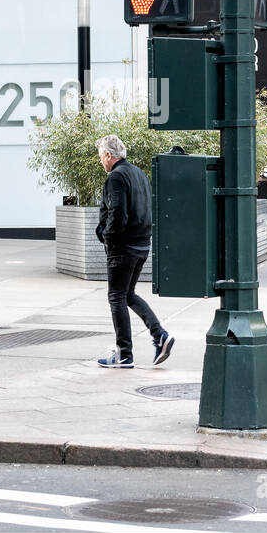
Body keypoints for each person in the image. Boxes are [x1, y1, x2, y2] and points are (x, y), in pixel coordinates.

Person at [94, 135, 173, 369]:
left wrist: (109, 240)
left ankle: (124, 354)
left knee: (116, 297)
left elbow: (117, 213)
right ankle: (160, 335)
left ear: (109, 156)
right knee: (127, 294)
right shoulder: (139, 174)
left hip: (123, 248)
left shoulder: (116, 177)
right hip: (141, 245)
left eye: (101, 157)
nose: (101, 162)